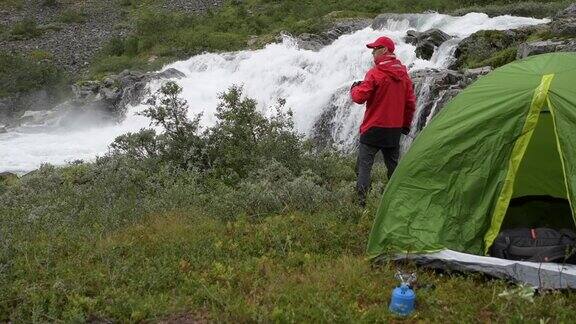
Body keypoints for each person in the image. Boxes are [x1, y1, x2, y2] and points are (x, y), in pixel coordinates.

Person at [350, 36, 416, 207]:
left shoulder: (375, 73)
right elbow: (410, 103)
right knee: (393, 169)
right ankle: (398, 203)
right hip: (394, 129)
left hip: (373, 128)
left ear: (385, 50)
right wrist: (405, 126)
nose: (372, 52)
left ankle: (360, 205)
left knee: (364, 168)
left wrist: (354, 88)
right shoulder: (404, 75)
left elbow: (359, 97)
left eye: (375, 48)